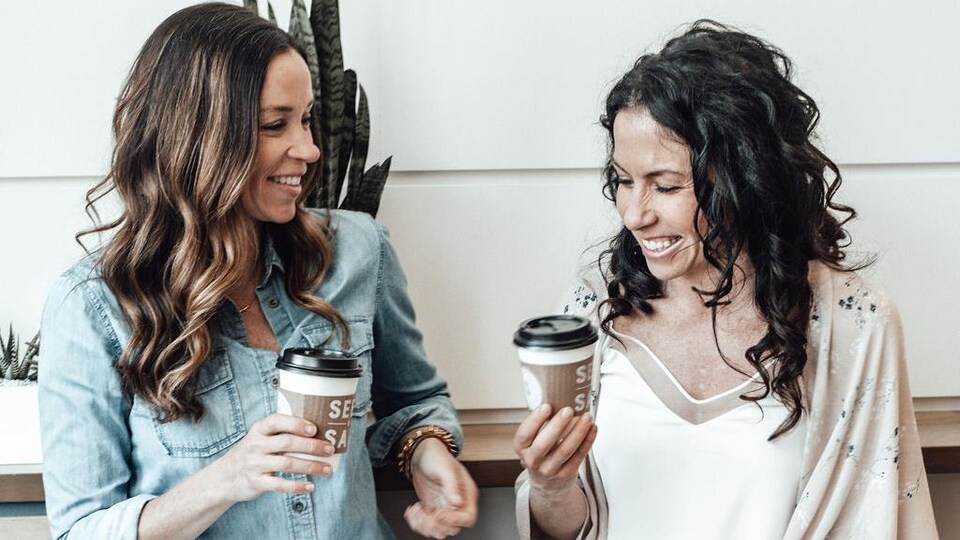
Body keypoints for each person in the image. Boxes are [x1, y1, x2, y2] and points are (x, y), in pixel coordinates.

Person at [38, 4, 477, 539]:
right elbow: (78, 530)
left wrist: (426, 453)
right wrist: (227, 479)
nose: (310, 149)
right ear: (197, 139)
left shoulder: (359, 250)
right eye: (275, 125)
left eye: (308, 118)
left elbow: (414, 400)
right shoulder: (94, 306)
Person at [513, 20, 937, 540]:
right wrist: (550, 487)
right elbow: (571, 525)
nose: (633, 214)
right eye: (623, 181)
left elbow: (875, 520)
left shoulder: (853, 323)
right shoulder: (597, 307)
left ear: (744, 177)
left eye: (666, 186)